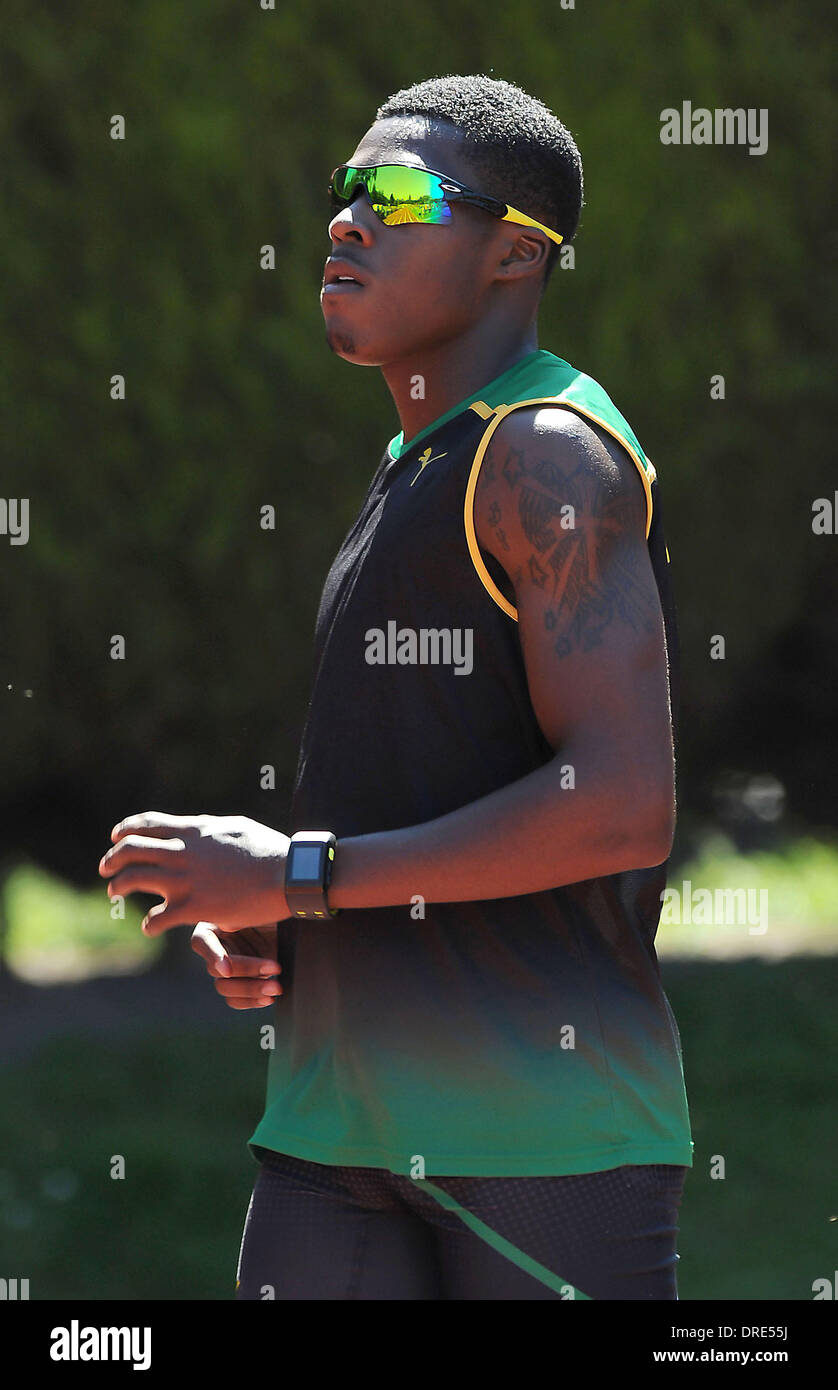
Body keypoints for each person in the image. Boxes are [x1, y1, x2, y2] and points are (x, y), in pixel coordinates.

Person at [98, 74, 693, 1300]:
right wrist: (287, 917)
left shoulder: (543, 456)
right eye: (343, 191)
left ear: (514, 256)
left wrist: (299, 871)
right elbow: (432, 785)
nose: (346, 220)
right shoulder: (418, 458)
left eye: (400, 193)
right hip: (335, 1124)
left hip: (542, 1139)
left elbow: (621, 801)